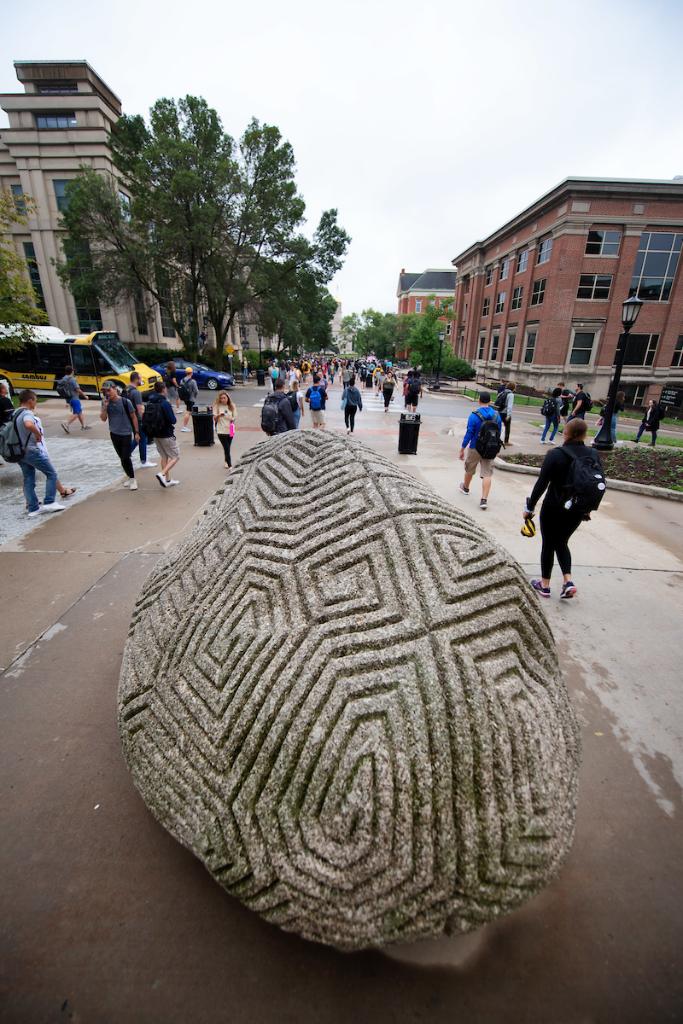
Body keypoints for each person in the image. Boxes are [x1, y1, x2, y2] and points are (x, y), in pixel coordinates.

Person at [525, 418, 597, 600]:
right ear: (584, 435)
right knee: (562, 542)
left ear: (565, 433)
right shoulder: (592, 454)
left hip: (553, 507)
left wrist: (530, 506)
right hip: (577, 509)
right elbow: (594, 484)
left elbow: (541, 484)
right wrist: (587, 509)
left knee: (548, 544)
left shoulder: (555, 454)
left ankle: (545, 585)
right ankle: (568, 581)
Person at [13, 390, 65, 517]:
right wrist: (38, 434)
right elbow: (29, 424)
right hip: (30, 450)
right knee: (51, 473)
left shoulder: (15, 413)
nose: (35, 403)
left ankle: (33, 508)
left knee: (29, 478)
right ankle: (49, 502)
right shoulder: (27, 413)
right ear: (30, 400)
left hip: (19, 452)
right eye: (35, 400)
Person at [458, 391, 502, 510]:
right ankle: (484, 500)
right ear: (490, 401)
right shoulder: (497, 416)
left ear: (479, 400)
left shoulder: (474, 415)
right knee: (487, 473)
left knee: (470, 468)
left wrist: (462, 448)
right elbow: (499, 433)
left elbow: (469, 433)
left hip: (475, 446)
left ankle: (465, 488)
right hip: (490, 448)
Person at [99, 380, 139, 490]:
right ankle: (129, 476)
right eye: (105, 391)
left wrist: (136, 432)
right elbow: (103, 419)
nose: (107, 393)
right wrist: (105, 407)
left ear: (115, 389)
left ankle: (132, 479)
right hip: (114, 433)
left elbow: (133, 417)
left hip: (126, 433)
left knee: (126, 457)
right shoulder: (105, 403)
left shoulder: (126, 402)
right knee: (122, 458)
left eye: (109, 390)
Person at [146, 381, 180, 487]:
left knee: (164, 456)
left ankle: (167, 480)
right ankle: (162, 474)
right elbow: (173, 420)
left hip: (155, 434)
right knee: (175, 456)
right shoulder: (165, 403)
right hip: (166, 434)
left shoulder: (150, 402)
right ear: (164, 389)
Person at [126, 371, 156, 468]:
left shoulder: (125, 389)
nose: (141, 380)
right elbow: (140, 409)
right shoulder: (136, 392)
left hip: (129, 418)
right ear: (136, 379)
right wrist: (145, 421)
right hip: (138, 419)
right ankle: (143, 461)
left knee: (137, 437)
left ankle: (126, 454)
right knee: (143, 439)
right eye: (140, 378)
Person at [59, 365, 89, 433]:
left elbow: (65, 390)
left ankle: (83, 426)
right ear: (72, 371)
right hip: (75, 398)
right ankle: (66, 424)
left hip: (69, 398)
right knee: (76, 413)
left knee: (79, 411)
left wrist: (67, 402)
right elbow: (77, 389)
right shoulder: (72, 379)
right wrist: (85, 396)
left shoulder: (64, 379)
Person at [213, 391, 237, 469]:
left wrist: (228, 417)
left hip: (231, 428)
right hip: (221, 429)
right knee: (226, 447)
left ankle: (226, 461)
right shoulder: (217, 406)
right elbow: (215, 419)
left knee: (228, 447)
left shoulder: (232, 405)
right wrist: (219, 415)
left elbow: (235, 417)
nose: (223, 399)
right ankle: (230, 466)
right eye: (221, 398)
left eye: (224, 398)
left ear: (228, 398)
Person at [498, 382, 516, 446]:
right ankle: (506, 441)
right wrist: (509, 415)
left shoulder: (502, 392)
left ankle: (496, 439)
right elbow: (509, 406)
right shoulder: (511, 394)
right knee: (507, 428)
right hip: (505, 413)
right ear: (513, 388)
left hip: (499, 412)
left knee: (498, 426)